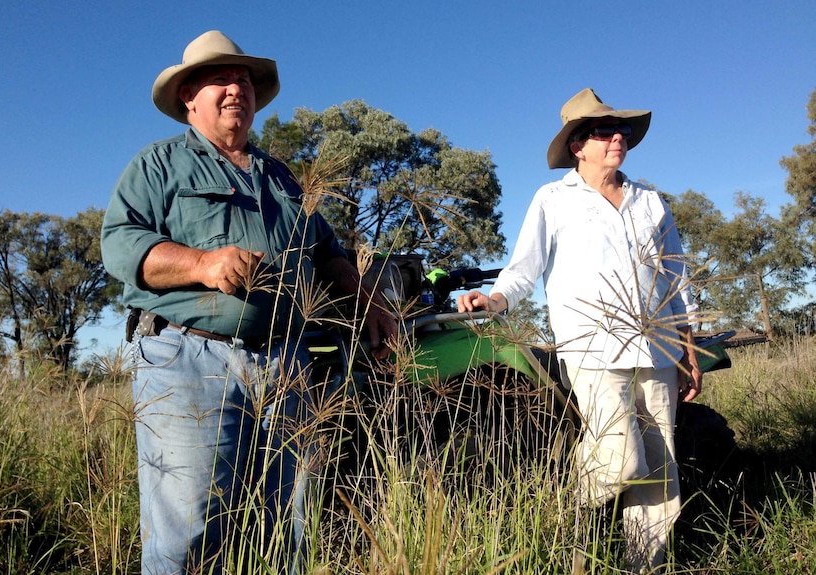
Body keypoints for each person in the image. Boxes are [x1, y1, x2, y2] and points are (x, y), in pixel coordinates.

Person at [101, 30, 396, 574]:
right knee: (189, 534)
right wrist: (202, 264)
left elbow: (328, 253)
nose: (236, 88)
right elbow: (120, 245)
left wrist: (370, 302)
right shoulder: (159, 166)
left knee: (290, 527)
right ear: (189, 96)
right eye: (221, 78)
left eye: (245, 79)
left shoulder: (283, 177)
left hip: (287, 363)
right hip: (188, 364)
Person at [457, 88, 702, 573]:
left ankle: (640, 566)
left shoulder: (650, 202)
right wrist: (495, 299)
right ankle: (565, 512)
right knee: (620, 460)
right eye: (604, 131)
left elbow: (676, 277)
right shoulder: (553, 199)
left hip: (658, 349)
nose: (617, 137)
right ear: (577, 146)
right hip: (592, 351)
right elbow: (524, 270)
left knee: (658, 476)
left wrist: (689, 347)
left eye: (622, 131)